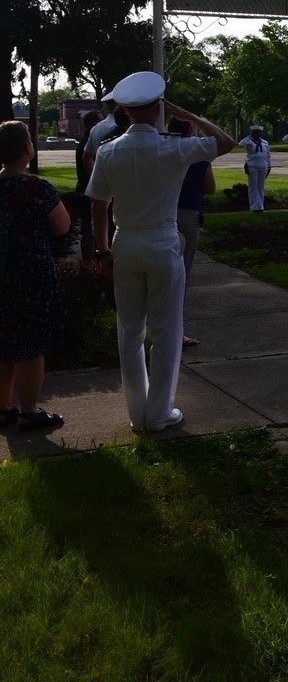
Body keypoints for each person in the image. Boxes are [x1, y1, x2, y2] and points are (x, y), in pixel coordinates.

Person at [86, 72, 234, 432]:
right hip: (163, 240)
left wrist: (102, 250)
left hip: (125, 241)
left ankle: (137, 413)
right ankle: (159, 411)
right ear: (158, 110)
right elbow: (225, 142)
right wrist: (191, 117)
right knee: (167, 329)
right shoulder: (173, 147)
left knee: (130, 329)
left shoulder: (108, 151)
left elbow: (98, 205)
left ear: (123, 110)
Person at [0, 120, 71, 431]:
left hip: (1, 275)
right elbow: (62, 226)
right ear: (27, 149)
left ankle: (3, 408)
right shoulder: (38, 189)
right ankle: (29, 412)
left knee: (3, 342)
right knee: (32, 346)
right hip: (32, 274)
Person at [168, 118, 216, 348]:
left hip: (164, 213)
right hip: (188, 213)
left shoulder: (163, 149)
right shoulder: (198, 152)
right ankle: (177, 331)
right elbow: (210, 187)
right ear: (190, 128)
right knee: (182, 275)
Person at [75, 108, 103, 260]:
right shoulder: (89, 144)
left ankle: (89, 262)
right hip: (89, 191)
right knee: (90, 228)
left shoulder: (83, 142)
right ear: (94, 124)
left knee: (87, 228)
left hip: (82, 190)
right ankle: (91, 261)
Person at [237, 124, 272, 211]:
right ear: (252, 133)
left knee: (260, 187)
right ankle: (253, 207)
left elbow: (268, 155)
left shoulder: (264, 143)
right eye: (255, 132)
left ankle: (260, 206)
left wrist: (269, 166)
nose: (257, 134)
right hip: (252, 166)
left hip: (263, 166)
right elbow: (240, 144)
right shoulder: (249, 142)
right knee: (253, 187)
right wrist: (249, 137)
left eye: (258, 132)